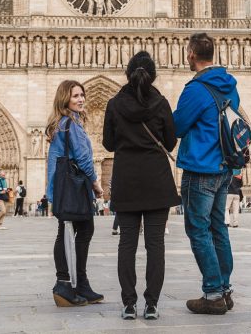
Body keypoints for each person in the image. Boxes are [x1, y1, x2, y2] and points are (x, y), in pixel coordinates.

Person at [102, 51, 180, 321]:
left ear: (128, 74)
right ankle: (152, 304)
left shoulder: (114, 104)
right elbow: (170, 142)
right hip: (157, 182)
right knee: (155, 245)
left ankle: (128, 304)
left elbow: (109, 144)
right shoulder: (161, 103)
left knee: (127, 244)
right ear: (153, 75)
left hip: (127, 182)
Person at [173, 32, 239, 315]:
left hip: (201, 168)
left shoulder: (196, 89)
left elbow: (177, 126)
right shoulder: (229, 85)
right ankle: (224, 289)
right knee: (218, 228)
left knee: (198, 230)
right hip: (224, 167)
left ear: (191, 55)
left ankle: (212, 293)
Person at [46, 79, 103, 307]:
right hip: (74, 187)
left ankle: (74, 284)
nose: (80, 99)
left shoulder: (61, 124)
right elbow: (83, 159)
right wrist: (95, 183)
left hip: (62, 187)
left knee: (67, 231)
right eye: (75, 96)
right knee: (84, 229)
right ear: (64, 99)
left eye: (82, 95)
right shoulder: (71, 125)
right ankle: (69, 283)